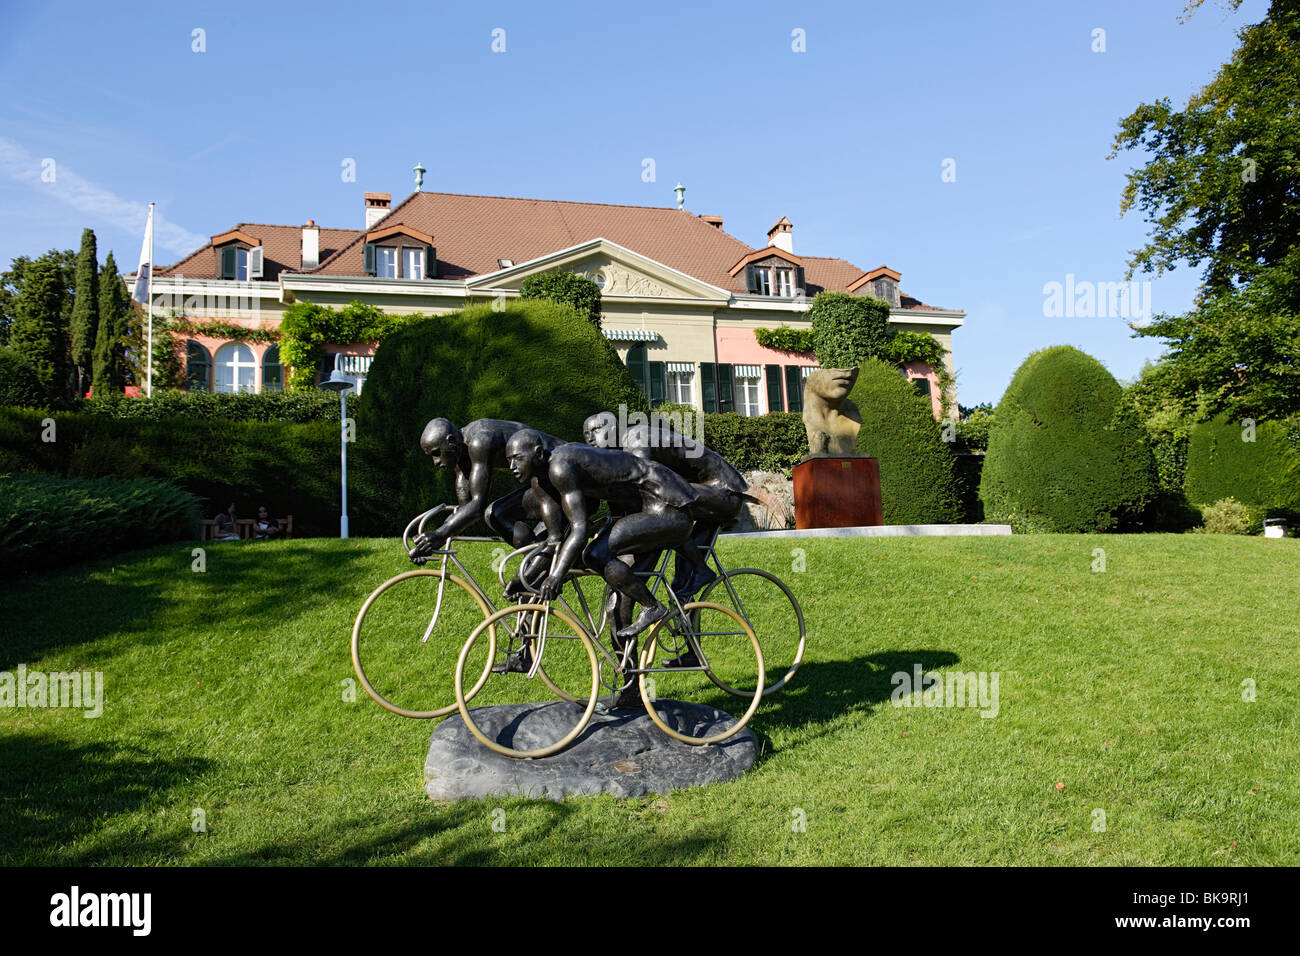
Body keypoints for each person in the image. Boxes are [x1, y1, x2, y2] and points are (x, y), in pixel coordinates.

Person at [506, 428, 698, 704]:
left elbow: (580, 530)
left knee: (595, 554)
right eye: (508, 460)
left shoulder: (560, 467)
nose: (511, 467)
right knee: (616, 606)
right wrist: (523, 578)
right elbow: (555, 541)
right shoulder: (542, 480)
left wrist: (557, 576)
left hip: (667, 507)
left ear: (536, 454)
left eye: (516, 459)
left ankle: (652, 606)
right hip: (641, 510)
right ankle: (630, 690)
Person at [583, 411, 749, 600]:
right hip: (697, 490)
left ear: (612, 429)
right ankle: (692, 579)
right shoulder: (622, 450)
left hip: (724, 490)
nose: (589, 439)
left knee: (665, 513)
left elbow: (641, 491)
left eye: (595, 431)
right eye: (586, 435)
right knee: (662, 514)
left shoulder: (635, 441)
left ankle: (700, 569)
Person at [408, 418, 568, 562]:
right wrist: (431, 540)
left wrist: (439, 535)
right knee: (497, 515)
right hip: (548, 475)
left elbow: (478, 506)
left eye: (437, 453)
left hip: (562, 470)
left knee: (495, 514)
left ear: (450, 441)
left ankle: (541, 563)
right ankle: (538, 565)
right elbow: (465, 510)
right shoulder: (460, 450)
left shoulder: (479, 441)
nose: (436, 461)